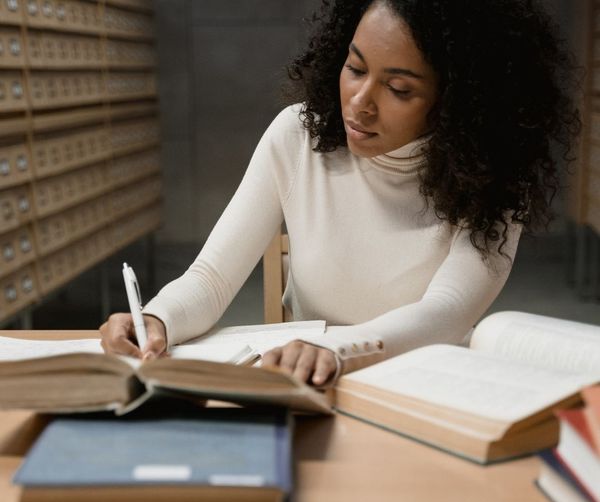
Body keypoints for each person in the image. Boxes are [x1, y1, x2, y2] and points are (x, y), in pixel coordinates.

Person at [100, 0, 580, 386]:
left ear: (456, 103)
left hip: (423, 388)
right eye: (355, 68)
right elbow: (211, 278)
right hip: (313, 388)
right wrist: (157, 320)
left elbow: (446, 313)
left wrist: (336, 350)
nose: (360, 101)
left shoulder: (493, 180)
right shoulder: (297, 137)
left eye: (398, 88)